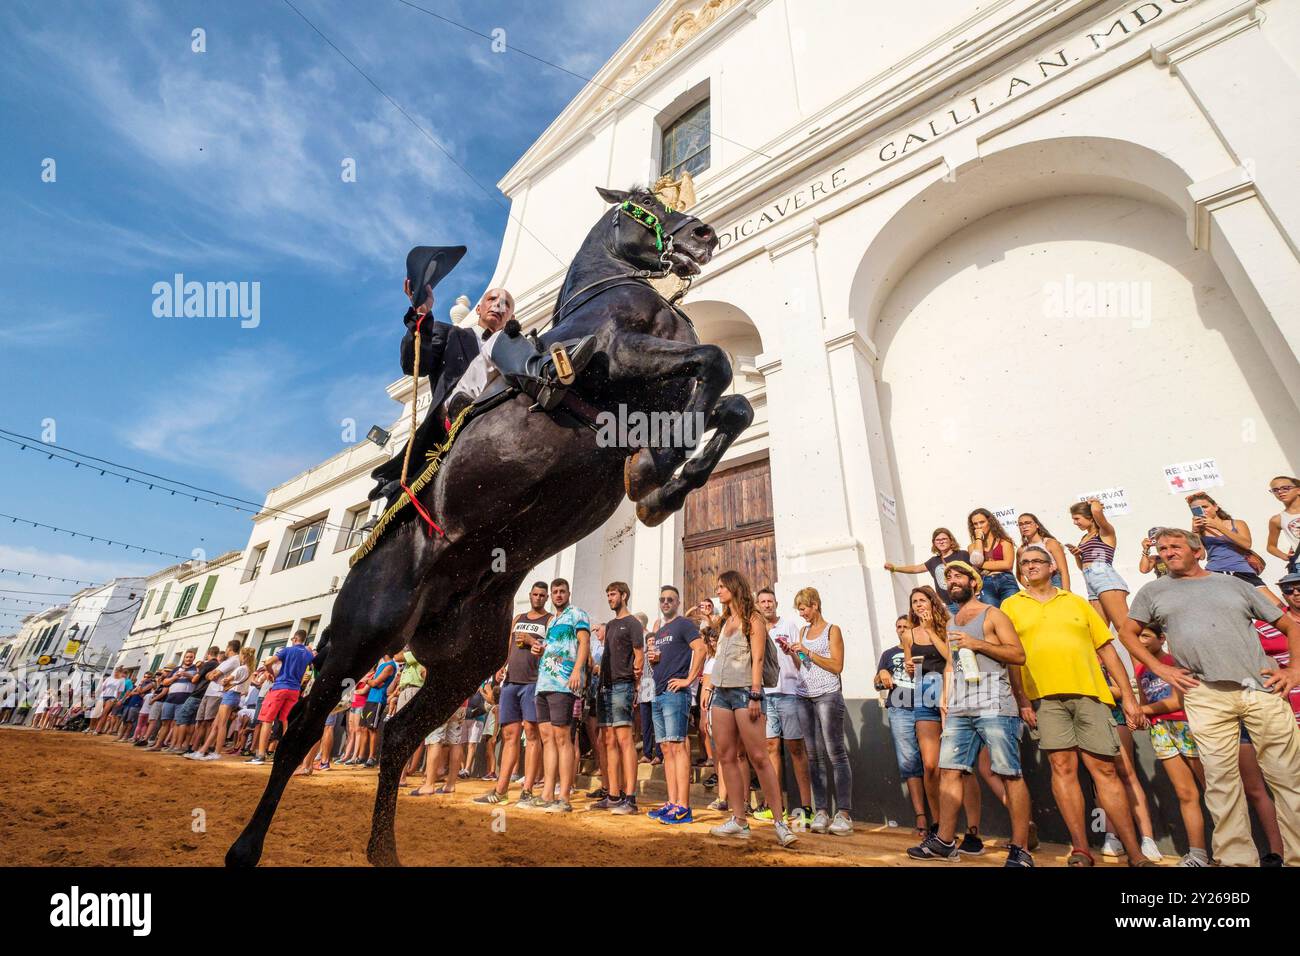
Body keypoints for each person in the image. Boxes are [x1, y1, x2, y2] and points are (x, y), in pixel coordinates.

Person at [1119, 528, 1300, 866]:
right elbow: (1127, 632)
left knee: (1288, 777)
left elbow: (1292, 626)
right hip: (1204, 694)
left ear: (1197, 551)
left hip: (1259, 688)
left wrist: (1294, 671)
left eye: (1175, 546)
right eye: (1162, 548)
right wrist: (1161, 668)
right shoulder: (1153, 591)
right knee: (1220, 782)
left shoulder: (1234, 584)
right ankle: (1237, 861)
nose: (1168, 552)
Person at [368, 272, 595, 513]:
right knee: (502, 341)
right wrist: (422, 314)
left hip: (497, 412)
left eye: (506, 304)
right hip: (457, 410)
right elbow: (414, 362)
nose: (499, 305)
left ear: (512, 315)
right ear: (478, 309)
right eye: (493, 300)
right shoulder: (451, 334)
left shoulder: (517, 347)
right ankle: (545, 376)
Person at [1000, 543, 1149, 867]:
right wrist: (1021, 699)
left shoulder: (1077, 602)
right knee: (1062, 769)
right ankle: (1081, 849)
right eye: (1024, 562)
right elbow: (1011, 659)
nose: (1030, 566)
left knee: (1105, 770)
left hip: (1090, 694)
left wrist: (1129, 697)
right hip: (1043, 699)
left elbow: (1108, 651)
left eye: (1037, 560)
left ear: (1053, 567)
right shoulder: (1010, 606)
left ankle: (1134, 853)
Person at [907, 561, 1033, 867]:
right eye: (948, 577)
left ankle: (1021, 849)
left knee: (1009, 773)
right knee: (950, 770)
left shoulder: (993, 614)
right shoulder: (951, 622)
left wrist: (976, 643)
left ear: (974, 582)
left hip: (994, 699)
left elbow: (1018, 654)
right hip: (960, 705)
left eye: (958, 576)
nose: (952, 580)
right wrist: (945, 699)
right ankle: (945, 841)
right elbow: (952, 664)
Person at [707, 570, 797, 848]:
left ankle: (780, 823)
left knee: (759, 757)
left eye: (722, 587)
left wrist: (756, 694)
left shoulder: (753, 619)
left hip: (746, 692)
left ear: (734, 587)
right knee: (726, 755)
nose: (718, 591)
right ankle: (739, 819)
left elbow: (757, 658)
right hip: (721, 694)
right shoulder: (725, 620)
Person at [1133, 622, 1211, 866]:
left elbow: (1178, 702)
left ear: (1162, 638)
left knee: (1213, 790)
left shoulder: (1175, 662)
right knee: (1185, 793)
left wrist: (1138, 710)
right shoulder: (1140, 669)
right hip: (1160, 732)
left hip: (1185, 726)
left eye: (1146, 636)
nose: (1141, 641)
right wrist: (1141, 718)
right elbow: (1146, 704)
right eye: (1138, 637)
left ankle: (1234, 847)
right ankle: (1198, 854)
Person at [476, 582, 550, 806]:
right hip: (511, 682)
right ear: (530, 595)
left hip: (533, 681)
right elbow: (508, 646)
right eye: (535, 594)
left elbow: (551, 650)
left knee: (532, 734)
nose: (538, 598)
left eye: (542, 595)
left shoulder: (549, 621)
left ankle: (527, 790)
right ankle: (501, 789)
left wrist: (531, 641)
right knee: (509, 735)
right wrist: (501, 665)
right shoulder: (518, 618)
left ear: (546, 598)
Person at [788, 586, 853, 836]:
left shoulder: (832, 630)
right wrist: (794, 654)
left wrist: (809, 652)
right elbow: (805, 665)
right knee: (813, 756)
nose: (802, 613)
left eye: (803, 608)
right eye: (799, 609)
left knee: (836, 754)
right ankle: (822, 810)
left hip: (828, 695)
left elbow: (837, 665)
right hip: (805, 696)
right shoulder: (803, 631)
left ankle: (844, 813)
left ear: (815, 604)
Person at [646, 585, 706, 825]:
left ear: (678, 602)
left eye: (670, 599)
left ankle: (684, 807)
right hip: (658, 694)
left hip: (675, 693)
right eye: (662, 599)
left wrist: (689, 680)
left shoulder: (684, 624)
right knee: (667, 750)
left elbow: (700, 649)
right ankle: (672, 803)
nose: (666, 602)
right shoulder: (660, 631)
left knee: (678, 747)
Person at [530, 578, 590, 813]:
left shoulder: (578, 614)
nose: (557, 595)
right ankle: (547, 793)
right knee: (547, 738)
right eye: (554, 592)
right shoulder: (552, 620)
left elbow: (584, 643)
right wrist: (539, 649)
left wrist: (577, 670)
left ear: (568, 593)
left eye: (561, 591)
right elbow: (552, 648)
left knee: (563, 738)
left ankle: (564, 796)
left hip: (564, 684)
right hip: (543, 683)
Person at [754, 587, 812, 825]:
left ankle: (807, 807)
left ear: (776, 603)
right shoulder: (755, 629)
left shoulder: (789, 626)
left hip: (789, 693)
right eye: (762, 601)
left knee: (796, 749)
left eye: (770, 601)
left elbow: (804, 661)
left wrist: (792, 653)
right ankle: (777, 807)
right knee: (770, 748)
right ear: (757, 605)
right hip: (765, 696)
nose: (767, 605)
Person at [900, 586, 950, 839]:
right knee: (930, 765)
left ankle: (957, 825)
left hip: (947, 691)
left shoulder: (946, 625)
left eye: (922, 600)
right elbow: (912, 670)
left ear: (932, 602)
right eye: (914, 602)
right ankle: (938, 823)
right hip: (923, 692)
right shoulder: (909, 634)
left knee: (952, 765)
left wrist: (931, 631)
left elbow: (950, 657)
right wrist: (909, 667)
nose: (919, 605)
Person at [597, 581, 645, 815]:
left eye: (613, 594)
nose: (610, 598)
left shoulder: (633, 623)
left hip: (623, 685)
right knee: (608, 741)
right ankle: (613, 795)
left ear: (624, 595)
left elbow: (639, 657)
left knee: (625, 740)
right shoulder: (611, 625)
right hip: (605, 687)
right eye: (607, 595)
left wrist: (635, 686)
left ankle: (631, 798)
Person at [877, 617, 928, 837]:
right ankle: (921, 817)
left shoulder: (925, 648)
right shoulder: (888, 654)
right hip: (898, 707)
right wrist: (882, 674)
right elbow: (877, 682)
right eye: (898, 626)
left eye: (905, 626)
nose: (901, 629)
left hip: (925, 705)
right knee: (909, 763)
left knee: (931, 762)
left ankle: (940, 817)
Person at [1187, 492, 1281, 607]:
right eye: (1197, 509)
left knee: (1277, 606)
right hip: (1216, 572)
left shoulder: (1237, 523)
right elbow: (1201, 556)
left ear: (1215, 507)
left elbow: (1246, 544)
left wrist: (1218, 526)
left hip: (1242, 570)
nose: (1203, 511)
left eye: (1205, 507)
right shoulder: (1199, 531)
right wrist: (1195, 532)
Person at [246, 631, 316, 766]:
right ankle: (285, 754)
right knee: (287, 722)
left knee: (267, 720)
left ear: (295, 639)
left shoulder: (287, 650)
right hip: (295, 689)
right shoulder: (308, 653)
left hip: (280, 687)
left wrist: (272, 673)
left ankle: (260, 755)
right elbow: (312, 663)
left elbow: (268, 662)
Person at [1066, 498, 1129, 632]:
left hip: (1104, 576)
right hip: (1090, 580)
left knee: (1123, 628)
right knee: (1099, 632)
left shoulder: (1105, 532)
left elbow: (1096, 510)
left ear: (1090, 517)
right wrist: (1077, 555)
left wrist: (1093, 501)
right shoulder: (1084, 538)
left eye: (1077, 518)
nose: (1074, 523)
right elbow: (1082, 566)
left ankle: (1142, 653)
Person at [885, 528, 970, 613]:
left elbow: (975, 573)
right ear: (934, 543)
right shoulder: (933, 561)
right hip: (949, 606)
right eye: (938, 540)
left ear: (951, 540)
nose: (941, 542)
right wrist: (895, 568)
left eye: (944, 539)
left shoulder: (963, 554)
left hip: (966, 600)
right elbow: (915, 569)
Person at [188, 641, 244, 760]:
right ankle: (202, 751)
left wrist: (212, 675)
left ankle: (215, 752)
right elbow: (210, 676)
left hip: (226, 694)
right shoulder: (232, 662)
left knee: (220, 725)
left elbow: (213, 676)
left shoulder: (235, 661)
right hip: (225, 694)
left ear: (229, 648)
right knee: (215, 725)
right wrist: (211, 675)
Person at [967, 509, 1019, 608]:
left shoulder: (1005, 541)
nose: (979, 526)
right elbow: (977, 560)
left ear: (990, 522)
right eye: (975, 524)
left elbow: (1007, 564)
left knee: (1013, 611)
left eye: (982, 522)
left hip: (1006, 579)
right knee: (993, 615)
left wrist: (982, 564)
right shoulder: (972, 547)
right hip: (986, 582)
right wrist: (978, 538)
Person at [147, 651, 197, 752]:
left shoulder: (196, 669)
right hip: (170, 699)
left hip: (184, 700)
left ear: (194, 658)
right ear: (183, 658)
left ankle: (174, 746)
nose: (188, 659)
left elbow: (196, 680)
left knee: (177, 724)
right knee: (165, 723)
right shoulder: (176, 669)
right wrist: (175, 677)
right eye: (187, 657)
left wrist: (187, 675)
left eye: (191, 657)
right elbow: (165, 682)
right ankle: (158, 745)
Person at [358, 653, 397, 768]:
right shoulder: (382, 665)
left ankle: (372, 757)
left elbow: (375, 683)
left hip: (378, 699)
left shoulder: (390, 666)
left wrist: (366, 680)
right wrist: (370, 681)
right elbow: (375, 683)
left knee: (372, 729)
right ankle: (361, 757)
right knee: (365, 727)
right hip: (371, 698)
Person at [1017, 513, 1071, 592]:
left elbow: (1063, 570)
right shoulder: (1021, 550)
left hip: (1055, 581)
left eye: (1028, 523)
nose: (1024, 526)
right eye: (1020, 524)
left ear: (1037, 525)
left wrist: (1066, 592)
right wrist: (1029, 588)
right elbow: (1020, 574)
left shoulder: (1050, 543)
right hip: (1035, 585)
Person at [1266, 475, 1300, 574]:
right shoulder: (1277, 519)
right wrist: (1286, 557)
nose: (1280, 492)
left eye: (1285, 488)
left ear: (1298, 490)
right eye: (1275, 490)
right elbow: (1271, 546)